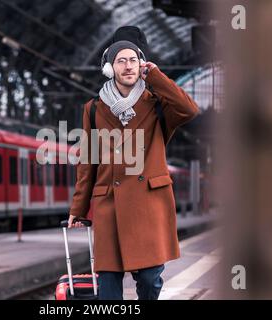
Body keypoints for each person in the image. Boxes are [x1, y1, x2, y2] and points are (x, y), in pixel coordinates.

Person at [67, 27, 199, 300]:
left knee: (150, 281)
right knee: (108, 287)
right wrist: (79, 207)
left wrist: (156, 75)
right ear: (109, 68)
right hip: (109, 206)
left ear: (142, 64)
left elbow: (189, 109)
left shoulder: (158, 104)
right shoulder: (93, 109)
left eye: (133, 60)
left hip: (149, 204)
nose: (128, 66)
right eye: (120, 61)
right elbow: (88, 160)